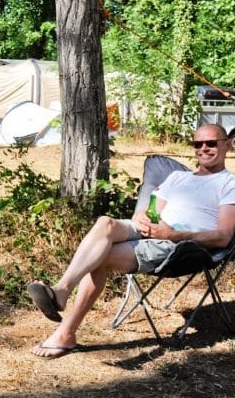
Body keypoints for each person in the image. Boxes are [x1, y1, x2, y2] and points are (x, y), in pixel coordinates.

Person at [27, 123, 235, 358]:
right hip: (152, 230)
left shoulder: (229, 184)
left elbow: (223, 237)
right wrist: (141, 216)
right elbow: (151, 208)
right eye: (198, 144)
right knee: (105, 222)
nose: (203, 149)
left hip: (179, 245)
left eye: (211, 143)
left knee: (100, 258)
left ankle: (66, 332)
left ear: (227, 144)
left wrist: (174, 235)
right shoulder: (178, 177)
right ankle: (62, 290)